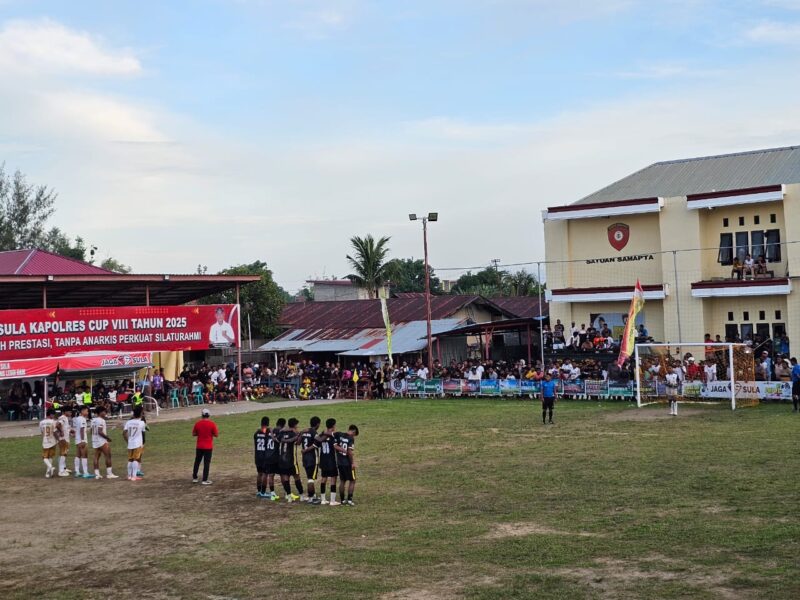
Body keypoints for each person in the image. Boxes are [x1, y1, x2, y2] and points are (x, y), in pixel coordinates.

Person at [277, 418, 302, 502]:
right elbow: (298, 443)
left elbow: (278, 439)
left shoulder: (282, 432)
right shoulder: (293, 433)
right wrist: (299, 434)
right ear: (294, 425)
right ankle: (301, 495)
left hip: (282, 459)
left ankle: (289, 496)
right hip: (291, 459)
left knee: (286, 477)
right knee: (297, 477)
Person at [333, 424, 359, 506]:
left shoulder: (339, 435)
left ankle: (342, 500)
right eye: (355, 434)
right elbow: (350, 452)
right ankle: (350, 500)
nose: (354, 436)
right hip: (347, 463)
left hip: (340, 462)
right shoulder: (350, 438)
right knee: (352, 480)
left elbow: (334, 443)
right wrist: (352, 463)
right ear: (354, 431)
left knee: (342, 481)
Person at [192, 408, 218, 485]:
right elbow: (216, 434)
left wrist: (200, 434)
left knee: (197, 462)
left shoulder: (197, 423)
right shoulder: (212, 424)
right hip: (208, 447)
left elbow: (194, 434)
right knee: (206, 463)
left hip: (199, 446)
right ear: (208, 415)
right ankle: (204, 479)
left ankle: (195, 477)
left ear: (202, 415)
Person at [91, 406, 118, 479]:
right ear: (100, 412)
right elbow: (100, 431)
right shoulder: (101, 420)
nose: (105, 413)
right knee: (108, 456)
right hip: (102, 441)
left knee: (96, 457)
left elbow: (91, 431)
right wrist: (107, 438)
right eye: (104, 412)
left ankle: (97, 474)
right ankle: (109, 474)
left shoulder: (93, 420)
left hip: (95, 440)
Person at [318, 418, 340, 506]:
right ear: (333, 425)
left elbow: (318, 441)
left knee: (323, 479)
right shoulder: (333, 435)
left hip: (323, 460)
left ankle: (323, 500)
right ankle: (332, 500)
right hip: (331, 460)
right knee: (333, 479)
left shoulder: (322, 435)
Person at [122, 406, 147, 481]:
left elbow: (124, 433)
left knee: (130, 459)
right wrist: (143, 443)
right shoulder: (142, 423)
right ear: (140, 414)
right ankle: (134, 476)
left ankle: (129, 476)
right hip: (137, 443)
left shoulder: (128, 422)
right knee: (136, 459)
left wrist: (127, 441)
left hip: (130, 443)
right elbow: (143, 434)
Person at [301, 416, 322, 504]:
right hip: (312, 459)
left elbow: (298, 442)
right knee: (311, 479)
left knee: (309, 477)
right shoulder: (314, 432)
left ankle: (312, 495)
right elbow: (319, 441)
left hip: (305, 459)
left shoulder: (305, 432)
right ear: (317, 424)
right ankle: (311, 498)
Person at [72, 405, 92, 478]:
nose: (87, 412)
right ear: (82, 411)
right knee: (84, 455)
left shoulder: (77, 419)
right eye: (87, 411)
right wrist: (83, 440)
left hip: (77, 440)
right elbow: (82, 430)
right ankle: (85, 472)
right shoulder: (82, 419)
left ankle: (77, 471)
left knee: (78, 455)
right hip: (81, 440)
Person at [254, 416, 270, 498]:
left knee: (259, 474)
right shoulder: (267, 433)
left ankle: (259, 491)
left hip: (257, 456)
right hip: (265, 456)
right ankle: (263, 492)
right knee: (265, 474)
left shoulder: (256, 433)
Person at [40, 408, 58, 478]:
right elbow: (55, 432)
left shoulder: (41, 422)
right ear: (51, 415)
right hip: (52, 440)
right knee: (50, 457)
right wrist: (58, 439)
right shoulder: (53, 422)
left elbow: (42, 432)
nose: (54, 416)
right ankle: (49, 471)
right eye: (53, 415)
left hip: (45, 440)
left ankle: (49, 469)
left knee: (45, 457)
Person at [55, 407, 73, 477]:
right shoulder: (63, 418)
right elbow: (57, 425)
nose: (70, 413)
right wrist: (61, 432)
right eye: (69, 411)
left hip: (65, 438)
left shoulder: (65, 418)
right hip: (63, 438)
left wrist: (71, 432)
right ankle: (61, 471)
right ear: (65, 412)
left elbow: (65, 427)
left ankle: (64, 468)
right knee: (63, 453)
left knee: (63, 453)